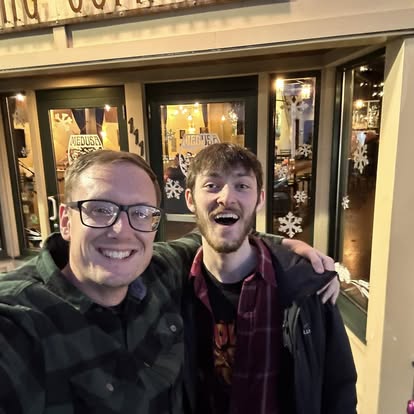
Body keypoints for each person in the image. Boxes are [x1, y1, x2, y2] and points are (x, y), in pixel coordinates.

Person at [0, 150, 337, 413]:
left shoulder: (157, 269)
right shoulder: (19, 323)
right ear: (65, 221)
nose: (121, 231)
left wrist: (289, 252)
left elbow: (221, 237)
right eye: (100, 209)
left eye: (140, 213)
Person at [183, 143, 357, 414]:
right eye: (212, 185)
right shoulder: (172, 284)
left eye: (242, 186)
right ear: (190, 199)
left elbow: (339, 391)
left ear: (260, 199)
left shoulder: (307, 287)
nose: (226, 197)